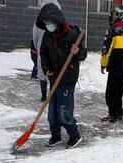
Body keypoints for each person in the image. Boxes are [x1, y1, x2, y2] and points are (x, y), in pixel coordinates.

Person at [37, 3, 87, 149]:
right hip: (54, 78)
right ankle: (56, 135)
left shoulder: (72, 34)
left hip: (67, 79)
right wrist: (47, 69)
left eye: (50, 23)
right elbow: (43, 54)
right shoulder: (48, 35)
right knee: (52, 113)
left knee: (64, 110)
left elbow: (83, 55)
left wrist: (77, 51)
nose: (48, 26)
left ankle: (74, 135)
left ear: (57, 20)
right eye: (46, 23)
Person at [100, 6, 123, 123]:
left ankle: (112, 114)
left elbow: (106, 49)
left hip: (113, 66)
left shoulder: (111, 31)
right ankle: (119, 112)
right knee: (119, 90)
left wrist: (103, 64)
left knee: (111, 92)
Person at [31, 0, 62, 101]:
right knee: (54, 72)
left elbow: (34, 37)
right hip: (55, 51)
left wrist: (38, 48)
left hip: (42, 50)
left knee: (43, 71)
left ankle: (44, 95)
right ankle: (52, 95)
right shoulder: (59, 20)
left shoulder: (39, 21)